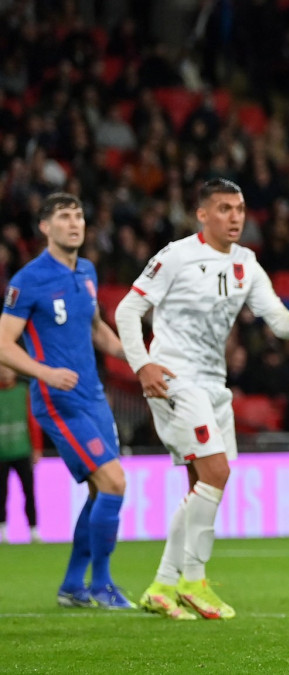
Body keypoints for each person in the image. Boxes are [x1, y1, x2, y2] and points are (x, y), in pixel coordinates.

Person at [114, 178, 289, 620]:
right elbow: (127, 310)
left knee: (201, 486)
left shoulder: (246, 263)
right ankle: (194, 581)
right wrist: (143, 366)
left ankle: (163, 585)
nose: (235, 217)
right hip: (174, 377)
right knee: (216, 473)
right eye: (224, 209)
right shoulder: (176, 255)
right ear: (202, 214)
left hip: (213, 385)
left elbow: (280, 323)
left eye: (239, 209)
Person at [0, 193, 133, 608]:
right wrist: (43, 372)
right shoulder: (28, 279)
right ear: (45, 227)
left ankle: (74, 586)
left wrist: (136, 356)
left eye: (79, 216)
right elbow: (3, 343)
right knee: (114, 482)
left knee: (100, 492)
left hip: (93, 397)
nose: (75, 223)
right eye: (64, 216)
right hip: (58, 399)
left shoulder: (87, 271)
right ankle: (102, 584)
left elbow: (97, 329)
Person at [0, 363, 40, 544]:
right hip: (2, 453)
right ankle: (2, 531)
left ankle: (33, 529)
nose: (5, 373)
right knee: (1, 493)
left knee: (29, 492)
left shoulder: (24, 391)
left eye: (7, 369)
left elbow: (33, 420)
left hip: (22, 451)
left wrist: (36, 448)